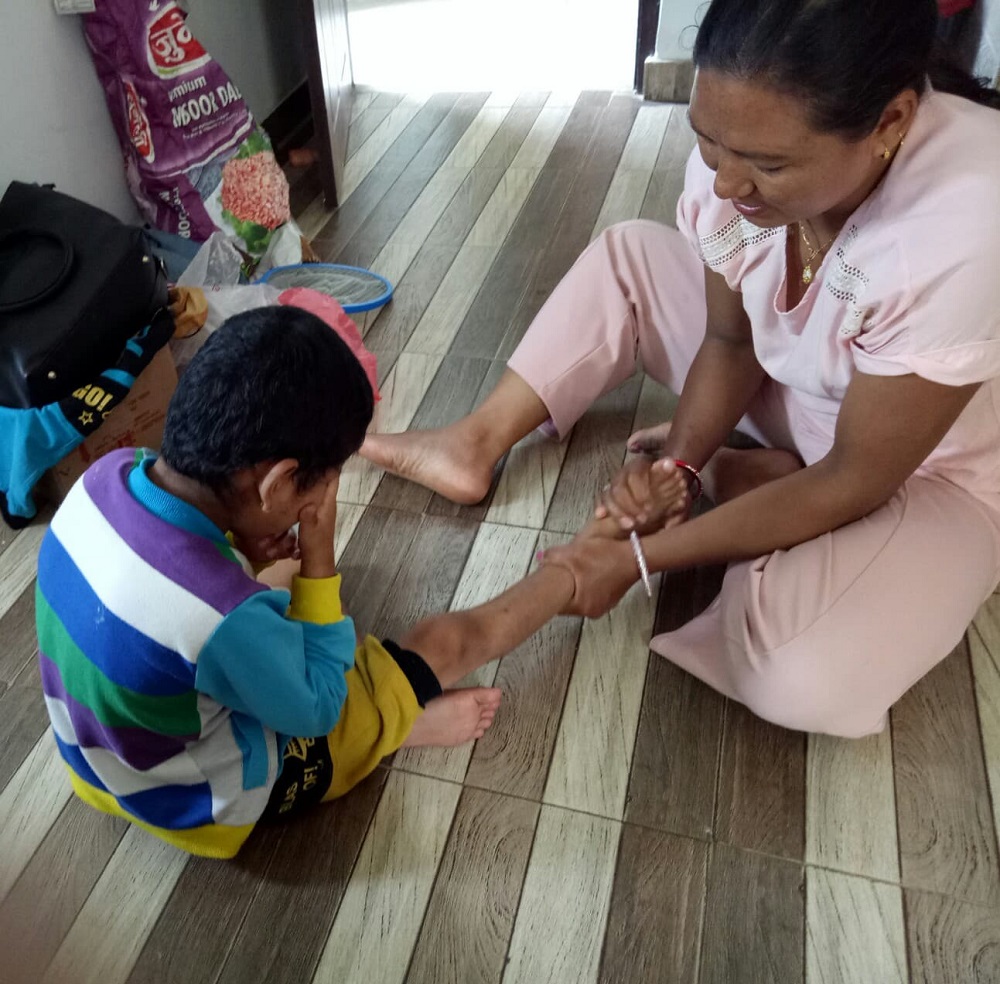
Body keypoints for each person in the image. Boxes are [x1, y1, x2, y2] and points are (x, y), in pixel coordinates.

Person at [361, 0, 1000, 739]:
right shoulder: (743, 153)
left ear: (888, 124)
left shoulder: (967, 219)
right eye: (708, 142)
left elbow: (860, 473)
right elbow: (729, 343)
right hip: (798, 388)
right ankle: (477, 440)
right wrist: (681, 471)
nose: (726, 184)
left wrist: (632, 560)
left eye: (766, 164)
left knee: (802, 674)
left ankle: (779, 497)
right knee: (633, 254)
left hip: (929, 472)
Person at [35, 306, 574, 859]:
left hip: (99, 763)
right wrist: (319, 558)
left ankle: (379, 722)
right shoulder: (220, 616)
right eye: (318, 491)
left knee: (268, 593)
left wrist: (240, 547)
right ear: (278, 482)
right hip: (202, 803)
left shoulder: (107, 474)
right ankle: (574, 576)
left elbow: (171, 570)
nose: (315, 507)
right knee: (442, 641)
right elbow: (317, 710)